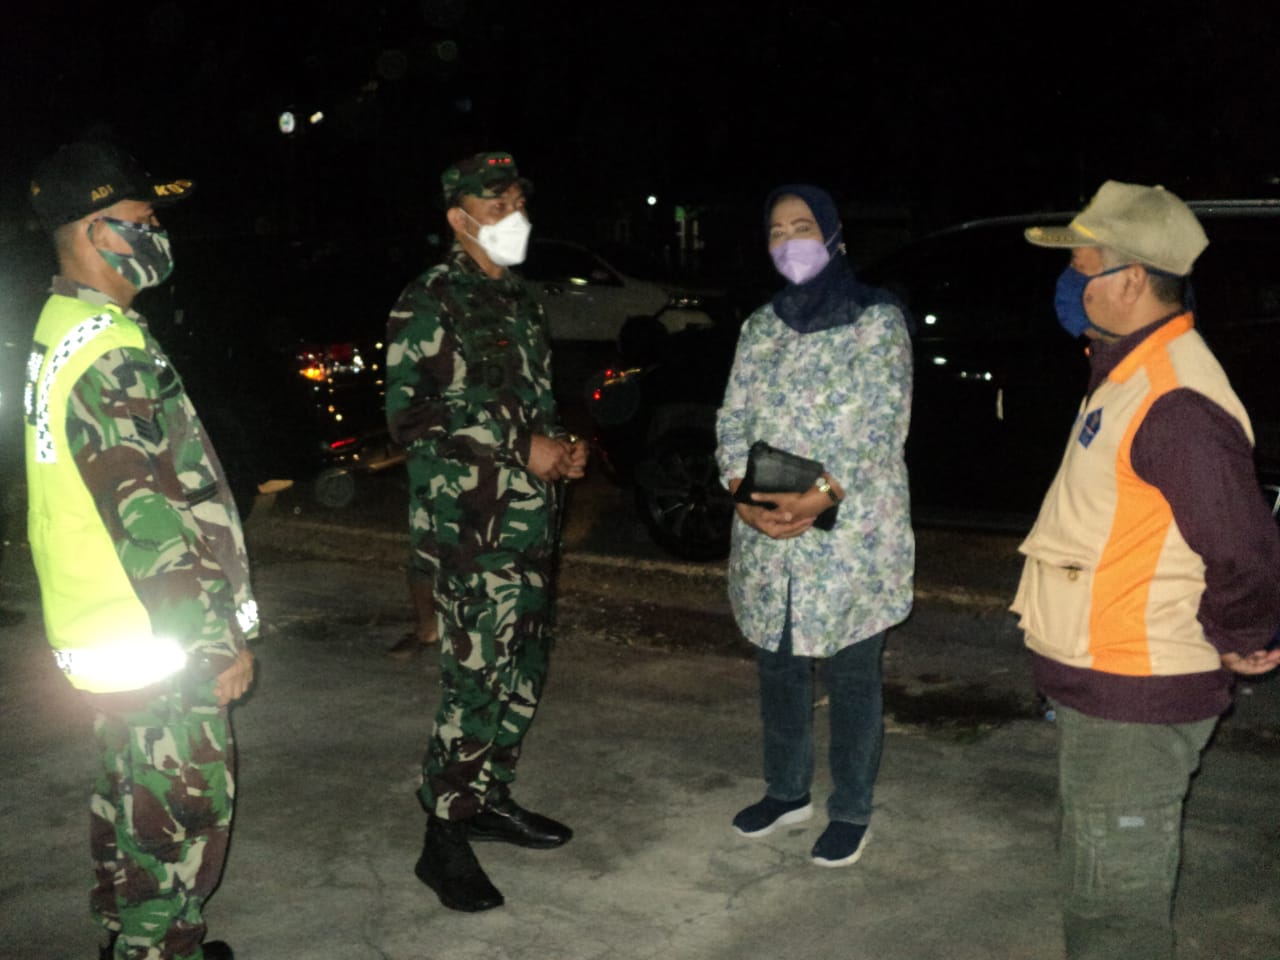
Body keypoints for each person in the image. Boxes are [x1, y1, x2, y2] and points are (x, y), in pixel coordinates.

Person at [1013, 180, 1280, 959]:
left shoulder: (1175, 402)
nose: (1071, 283)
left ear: (1131, 280)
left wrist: (1243, 633)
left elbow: (1243, 546)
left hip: (1137, 692)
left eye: (1082, 267)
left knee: (1114, 916)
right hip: (1110, 682)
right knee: (1096, 882)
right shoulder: (1128, 372)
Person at [25, 140, 257, 960]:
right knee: (180, 821)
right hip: (157, 637)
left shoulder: (64, 325)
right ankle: (158, 948)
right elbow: (145, 516)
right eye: (143, 219)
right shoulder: (108, 349)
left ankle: (135, 940)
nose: (159, 233)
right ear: (97, 231)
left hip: (109, 631)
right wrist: (212, 640)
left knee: (132, 801)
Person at [384, 150, 586, 912]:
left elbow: (531, 404)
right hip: (469, 529)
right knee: (476, 682)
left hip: (529, 522)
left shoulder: (520, 300)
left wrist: (560, 449)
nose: (514, 216)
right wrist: (518, 444)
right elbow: (410, 416)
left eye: (517, 202)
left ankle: (489, 798)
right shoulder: (430, 300)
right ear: (459, 218)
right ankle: (443, 838)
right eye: (497, 206)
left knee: (522, 673)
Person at [716, 184, 914, 867]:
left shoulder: (875, 320)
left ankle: (851, 808)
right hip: (770, 530)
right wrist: (740, 491)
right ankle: (787, 791)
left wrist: (820, 498)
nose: (789, 241)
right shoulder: (761, 327)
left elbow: (882, 427)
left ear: (832, 234)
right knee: (779, 665)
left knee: (853, 674)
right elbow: (732, 419)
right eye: (777, 231)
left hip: (851, 533)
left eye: (802, 226)